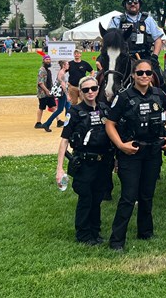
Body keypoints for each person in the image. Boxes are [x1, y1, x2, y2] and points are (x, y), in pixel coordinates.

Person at [105, 59, 166, 251]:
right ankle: (117, 240)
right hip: (131, 152)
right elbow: (109, 124)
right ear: (133, 75)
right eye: (140, 73)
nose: (144, 76)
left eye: (148, 73)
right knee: (128, 197)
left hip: (153, 152)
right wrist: (120, 145)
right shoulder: (124, 97)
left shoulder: (159, 94)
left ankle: (145, 232)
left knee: (147, 195)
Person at [56, 76, 114, 245]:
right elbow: (64, 140)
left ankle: (95, 232)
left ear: (98, 90)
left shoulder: (105, 109)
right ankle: (83, 234)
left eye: (93, 89)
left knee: (97, 198)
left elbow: (113, 133)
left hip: (103, 162)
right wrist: (59, 169)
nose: (90, 92)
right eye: (86, 90)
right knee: (86, 198)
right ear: (80, 92)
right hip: (84, 162)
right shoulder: (74, 112)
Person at [108, 0, 164, 82]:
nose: (132, 4)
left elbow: (158, 39)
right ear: (124, 4)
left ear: (140, 4)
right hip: (124, 59)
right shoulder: (116, 20)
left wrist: (155, 56)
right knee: (108, 78)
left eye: (135, 1)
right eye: (129, 2)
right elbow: (109, 40)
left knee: (160, 79)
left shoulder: (148, 20)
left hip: (145, 57)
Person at [43, 60, 71, 129]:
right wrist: (67, 95)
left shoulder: (62, 72)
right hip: (62, 93)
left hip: (62, 92)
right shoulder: (61, 73)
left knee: (68, 108)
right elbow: (63, 85)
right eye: (67, 64)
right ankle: (47, 123)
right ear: (64, 65)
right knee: (60, 109)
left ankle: (68, 124)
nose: (68, 65)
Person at [35, 55, 56, 132]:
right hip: (43, 93)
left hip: (49, 92)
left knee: (53, 106)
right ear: (43, 60)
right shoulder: (42, 70)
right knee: (41, 107)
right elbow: (40, 82)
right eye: (46, 59)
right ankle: (38, 122)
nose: (48, 61)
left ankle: (59, 120)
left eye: (49, 59)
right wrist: (46, 91)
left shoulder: (48, 70)